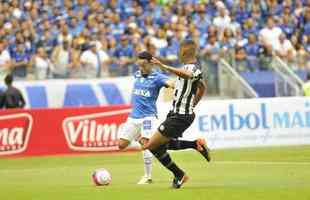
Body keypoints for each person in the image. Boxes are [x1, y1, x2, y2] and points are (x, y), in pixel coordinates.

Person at [118, 51, 209, 185]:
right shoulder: (136, 74)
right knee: (122, 145)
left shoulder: (158, 77)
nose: (140, 65)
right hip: (134, 117)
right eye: (139, 62)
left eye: (143, 62)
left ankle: (148, 176)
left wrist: (180, 86)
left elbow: (173, 84)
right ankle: (193, 145)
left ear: (150, 63)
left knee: (149, 146)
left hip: (148, 117)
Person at [143, 39, 211, 189]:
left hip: (181, 117)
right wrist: (194, 103)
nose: (178, 52)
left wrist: (163, 66)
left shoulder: (194, 69)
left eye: (179, 49)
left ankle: (180, 174)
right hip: (175, 114)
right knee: (160, 146)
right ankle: (195, 146)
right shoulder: (189, 68)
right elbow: (203, 87)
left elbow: (187, 75)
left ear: (184, 51)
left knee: (150, 146)